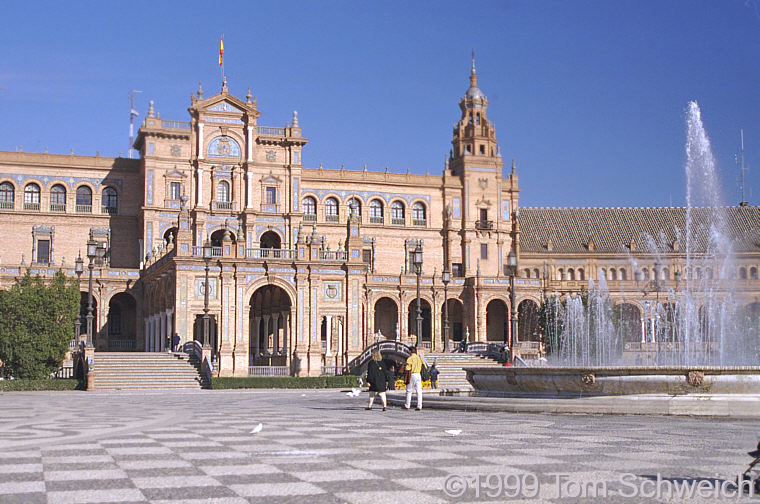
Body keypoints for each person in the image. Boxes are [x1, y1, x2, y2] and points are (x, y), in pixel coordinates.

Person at [403, 346, 424, 410]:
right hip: (418, 374)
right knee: (419, 391)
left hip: (412, 374)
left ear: (410, 351)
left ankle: (407, 405)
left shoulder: (410, 358)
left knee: (409, 390)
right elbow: (424, 365)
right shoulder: (419, 358)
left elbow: (407, 368)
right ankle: (419, 405)